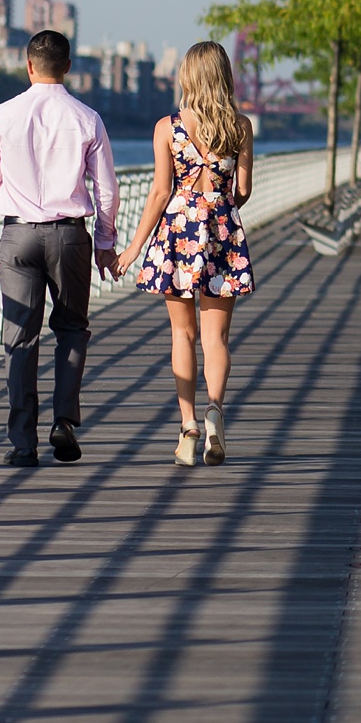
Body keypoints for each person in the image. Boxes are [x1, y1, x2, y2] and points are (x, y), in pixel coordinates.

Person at [0, 30, 119, 468]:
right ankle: (64, 423)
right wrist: (105, 243)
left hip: (17, 236)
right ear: (68, 67)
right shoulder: (87, 118)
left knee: (20, 339)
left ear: (29, 65)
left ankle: (22, 444)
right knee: (72, 329)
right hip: (70, 234)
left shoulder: (1, 116)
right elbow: (106, 190)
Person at [119, 41, 256, 468]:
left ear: (188, 77)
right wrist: (221, 205)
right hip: (221, 231)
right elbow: (244, 191)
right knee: (216, 337)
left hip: (178, 233)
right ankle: (216, 410)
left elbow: (160, 192)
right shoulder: (241, 127)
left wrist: (135, 246)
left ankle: (189, 427)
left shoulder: (167, 127)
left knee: (183, 335)